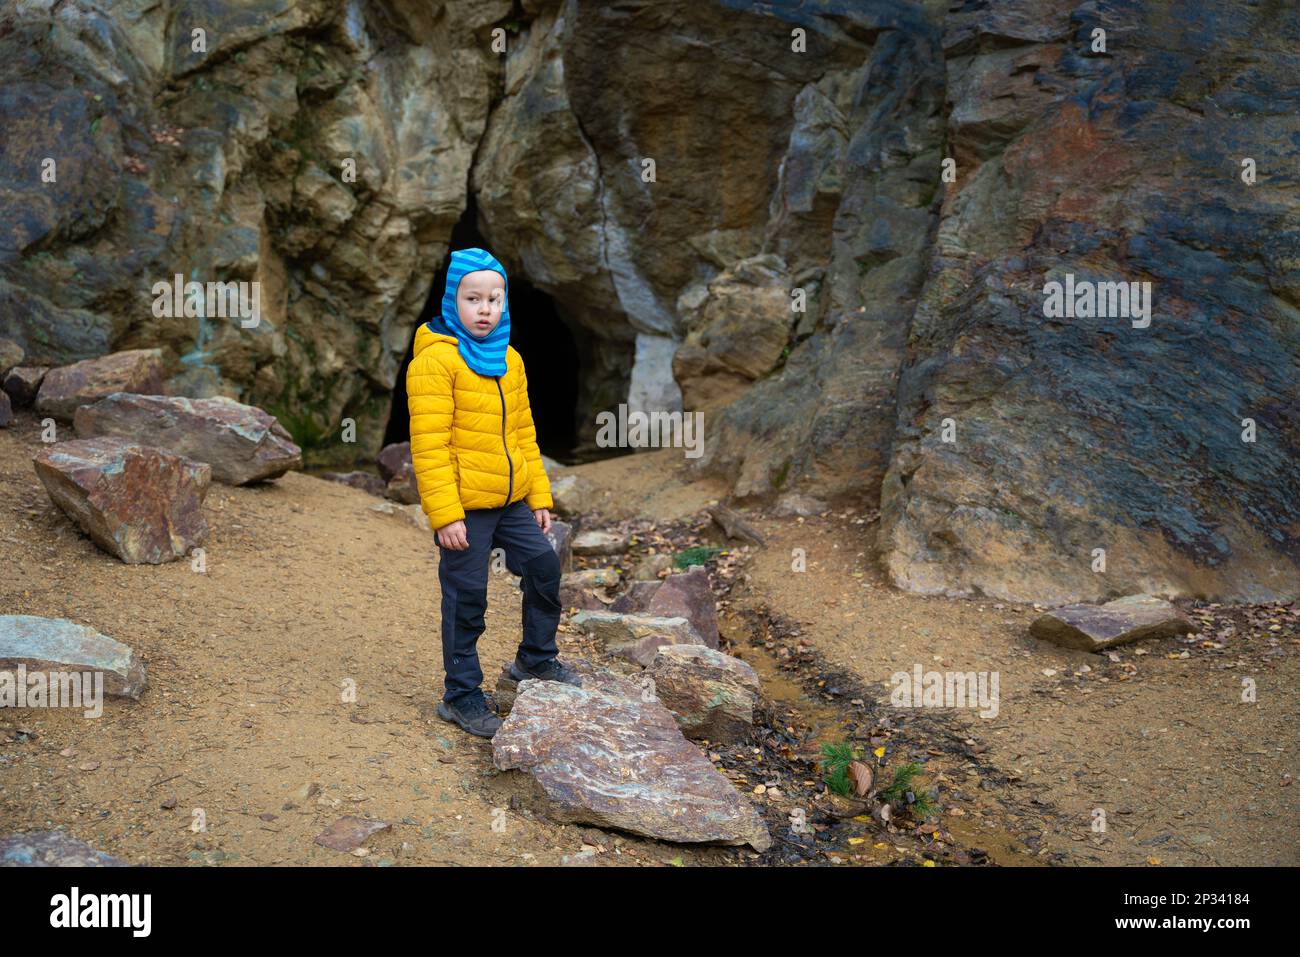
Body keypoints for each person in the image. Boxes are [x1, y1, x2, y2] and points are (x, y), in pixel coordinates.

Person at [406, 247, 579, 738]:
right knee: (467, 598)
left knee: (545, 566)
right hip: (464, 510)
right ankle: (460, 695)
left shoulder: (511, 359)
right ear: (452, 300)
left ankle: (535, 661)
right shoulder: (435, 362)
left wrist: (539, 496)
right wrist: (444, 514)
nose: (484, 308)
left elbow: (524, 431)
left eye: (494, 299)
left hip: (510, 502)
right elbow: (429, 445)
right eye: (473, 298)